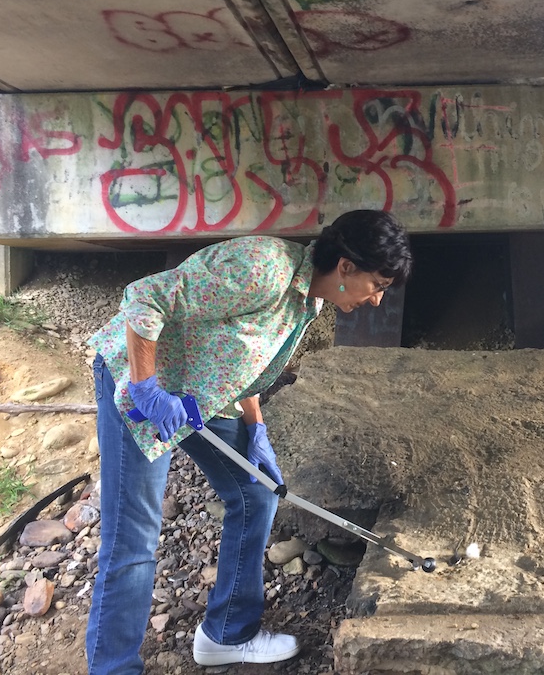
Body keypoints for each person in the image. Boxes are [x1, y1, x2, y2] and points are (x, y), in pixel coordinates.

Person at [84, 209, 413, 674]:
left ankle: (226, 635)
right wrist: (146, 388)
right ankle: (114, 667)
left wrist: (255, 430)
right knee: (134, 539)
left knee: (257, 492)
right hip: (138, 389)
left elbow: (243, 363)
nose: (378, 300)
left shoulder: (307, 301)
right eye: (377, 285)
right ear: (346, 267)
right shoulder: (263, 268)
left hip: (200, 395)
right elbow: (144, 298)